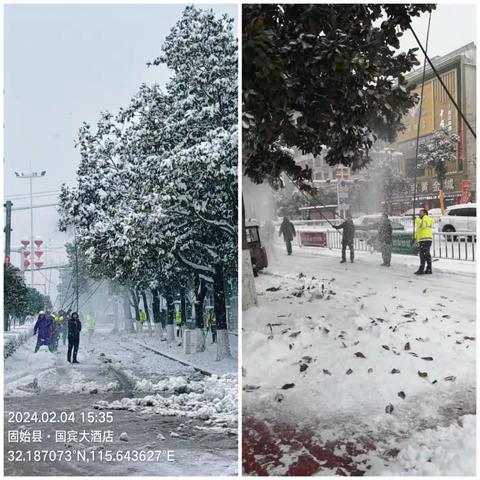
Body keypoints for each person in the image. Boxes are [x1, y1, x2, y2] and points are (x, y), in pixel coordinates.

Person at [414, 208, 434, 275]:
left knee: (423, 255)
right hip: (425, 239)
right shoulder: (423, 219)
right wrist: (416, 238)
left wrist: (416, 219)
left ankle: (422, 269)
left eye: (421, 212)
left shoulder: (426, 218)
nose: (419, 213)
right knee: (426, 254)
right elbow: (420, 230)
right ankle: (428, 269)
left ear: (425, 213)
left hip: (425, 239)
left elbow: (422, 226)